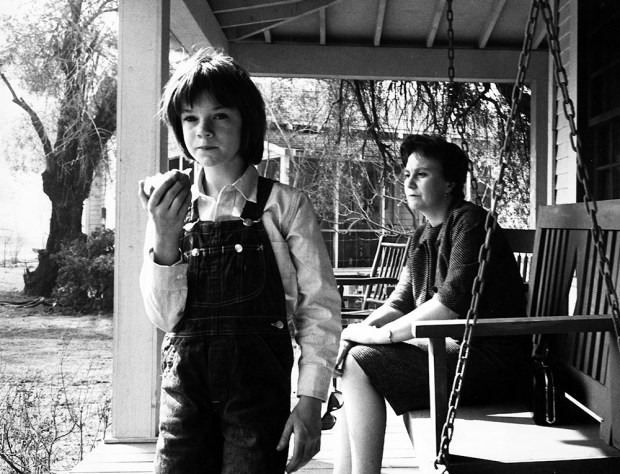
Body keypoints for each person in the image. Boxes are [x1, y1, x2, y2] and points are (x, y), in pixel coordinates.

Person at [138, 48, 342, 474]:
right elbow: (164, 317)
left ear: (246, 121)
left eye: (220, 116)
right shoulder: (168, 206)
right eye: (191, 118)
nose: (204, 130)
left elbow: (319, 308)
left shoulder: (286, 206)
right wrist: (165, 236)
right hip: (184, 394)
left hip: (258, 393)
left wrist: (310, 401)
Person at [333, 134, 530, 474]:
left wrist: (382, 336)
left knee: (359, 362)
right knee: (352, 355)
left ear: (450, 182)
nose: (409, 182)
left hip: (490, 361)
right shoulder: (422, 235)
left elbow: (449, 305)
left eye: (422, 174)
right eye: (407, 174)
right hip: (449, 352)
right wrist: (354, 334)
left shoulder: (470, 223)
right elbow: (400, 302)